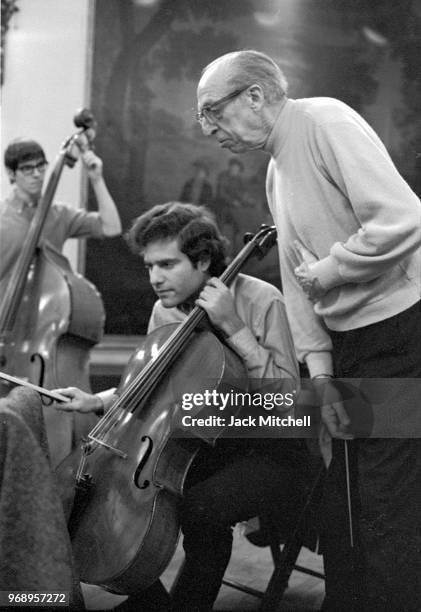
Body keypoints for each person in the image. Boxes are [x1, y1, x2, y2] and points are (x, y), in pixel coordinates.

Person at [195, 49, 421, 611]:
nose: (208, 129)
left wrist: (332, 267)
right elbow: (297, 289)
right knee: (347, 498)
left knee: (383, 500)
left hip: (397, 332)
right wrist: (318, 366)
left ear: (254, 95)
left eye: (212, 111)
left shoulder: (324, 120)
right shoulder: (275, 168)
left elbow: (403, 217)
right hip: (351, 346)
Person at [53, 202, 312, 611]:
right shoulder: (165, 309)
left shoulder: (261, 299)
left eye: (167, 264)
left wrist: (233, 326)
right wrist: (96, 400)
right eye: (149, 266)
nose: (155, 278)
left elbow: (288, 401)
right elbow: (151, 387)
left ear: (203, 259)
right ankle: (150, 599)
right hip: (198, 440)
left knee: (202, 508)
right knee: (95, 493)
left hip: (268, 447)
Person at [0, 137, 122, 282]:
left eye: (41, 166)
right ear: (11, 173)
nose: (37, 174)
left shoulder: (59, 215)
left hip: (47, 304)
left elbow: (111, 227)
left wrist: (97, 180)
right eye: (27, 169)